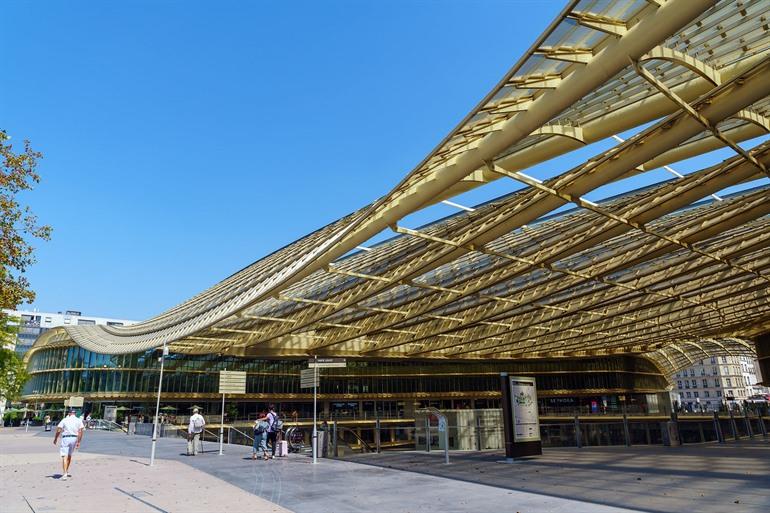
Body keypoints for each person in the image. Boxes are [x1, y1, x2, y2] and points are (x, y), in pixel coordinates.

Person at [53, 408, 85, 481]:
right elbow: (80, 431)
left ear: (69, 413)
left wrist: (55, 438)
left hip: (66, 438)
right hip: (74, 438)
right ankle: (66, 470)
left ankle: (64, 474)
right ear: (75, 413)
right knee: (69, 455)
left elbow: (59, 429)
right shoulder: (78, 420)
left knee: (64, 456)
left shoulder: (65, 420)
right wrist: (79, 442)